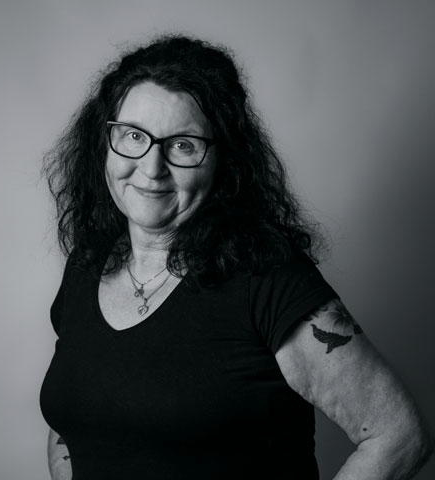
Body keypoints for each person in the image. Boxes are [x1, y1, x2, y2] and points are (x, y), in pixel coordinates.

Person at [40, 35, 433, 480]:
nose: (151, 169)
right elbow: (69, 420)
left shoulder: (268, 279)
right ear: (104, 143)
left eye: (183, 144)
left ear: (223, 160)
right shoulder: (87, 266)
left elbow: (399, 435)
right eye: (133, 136)